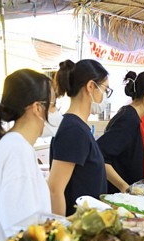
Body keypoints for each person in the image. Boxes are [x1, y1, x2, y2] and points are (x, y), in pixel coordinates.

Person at [0, 69, 53, 241]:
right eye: (52, 105)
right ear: (38, 108)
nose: (54, 112)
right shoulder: (17, 150)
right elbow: (22, 228)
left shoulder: (13, 146)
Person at [48, 59, 110, 216]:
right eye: (105, 89)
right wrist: (62, 230)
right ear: (90, 86)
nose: (105, 97)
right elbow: (55, 189)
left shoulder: (79, 127)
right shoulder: (73, 130)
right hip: (75, 226)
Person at [97, 70, 144, 193]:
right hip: (118, 197)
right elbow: (100, 156)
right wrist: (125, 187)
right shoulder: (128, 119)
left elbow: (124, 161)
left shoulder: (130, 116)